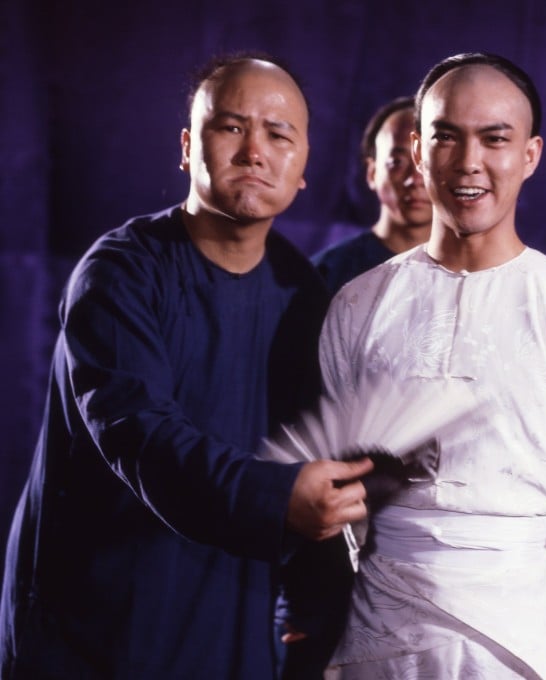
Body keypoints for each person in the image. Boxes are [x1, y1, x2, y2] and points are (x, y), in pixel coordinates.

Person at [0, 54, 373, 679]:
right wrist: (281, 497)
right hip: (95, 621)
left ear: (304, 166)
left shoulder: (302, 293)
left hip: (233, 614)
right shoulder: (120, 272)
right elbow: (140, 434)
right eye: (231, 127)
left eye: (279, 134)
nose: (254, 150)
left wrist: (315, 590)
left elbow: (311, 444)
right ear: (186, 146)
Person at [318, 52, 546, 680]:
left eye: (495, 139)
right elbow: (342, 478)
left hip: (517, 628)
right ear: (417, 147)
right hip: (380, 615)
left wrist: (523, 591)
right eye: (447, 136)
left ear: (530, 155)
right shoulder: (357, 305)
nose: (469, 163)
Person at [312, 96, 432, 294]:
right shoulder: (325, 274)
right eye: (397, 162)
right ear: (372, 172)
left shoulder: (472, 272)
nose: (414, 179)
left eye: (426, 163)